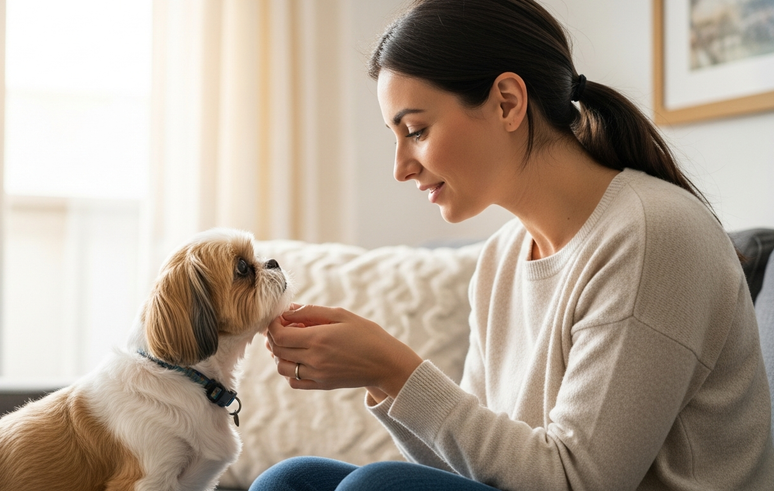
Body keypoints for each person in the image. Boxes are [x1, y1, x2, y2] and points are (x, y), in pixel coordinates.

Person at [252, 0, 774, 489]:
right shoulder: (502, 259)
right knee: (292, 481)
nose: (400, 167)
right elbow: (480, 469)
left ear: (507, 102)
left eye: (415, 129)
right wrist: (383, 379)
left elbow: (580, 480)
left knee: (375, 486)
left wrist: (395, 367)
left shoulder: (654, 234)